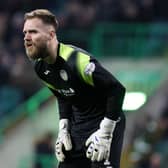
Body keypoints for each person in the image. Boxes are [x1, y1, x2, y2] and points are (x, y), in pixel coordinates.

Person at [23, 9, 126, 168]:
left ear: (51, 35)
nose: (26, 38)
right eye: (25, 33)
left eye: (33, 32)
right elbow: (63, 95)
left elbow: (117, 89)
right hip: (79, 124)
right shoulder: (40, 68)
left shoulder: (77, 61)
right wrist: (63, 128)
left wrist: (105, 132)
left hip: (106, 121)